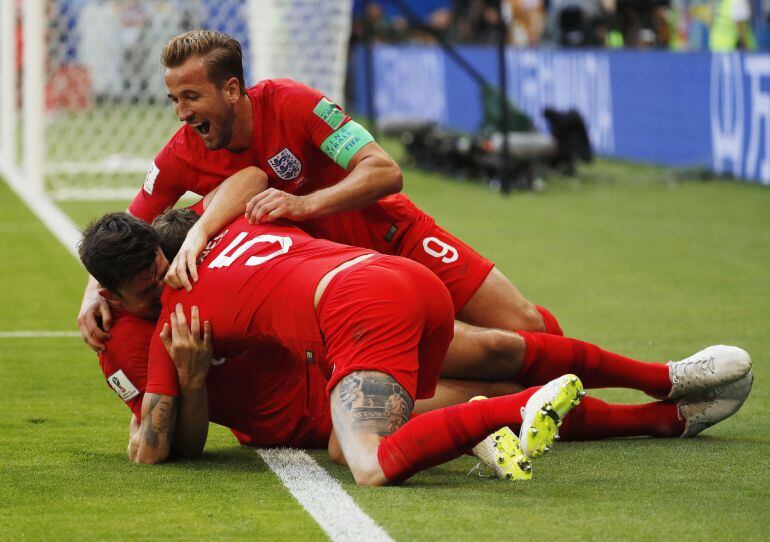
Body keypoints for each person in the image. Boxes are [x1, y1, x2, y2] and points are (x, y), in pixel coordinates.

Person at [80, 210, 752, 485]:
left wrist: (187, 375)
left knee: (365, 460)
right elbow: (166, 442)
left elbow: (153, 451)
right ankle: (666, 403)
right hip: (385, 290)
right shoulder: (131, 330)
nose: (160, 283)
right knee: (495, 350)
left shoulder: (177, 302)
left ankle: (522, 410)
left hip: (347, 331)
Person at [77, 29, 563, 355]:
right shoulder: (180, 154)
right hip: (340, 284)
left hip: (395, 234)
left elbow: (385, 171)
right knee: (446, 362)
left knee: (530, 330)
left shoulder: (294, 103)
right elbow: (130, 226)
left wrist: (305, 204)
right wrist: (93, 291)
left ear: (230, 90)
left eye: (191, 97)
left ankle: (568, 375)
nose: (181, 113)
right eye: (174, 100)